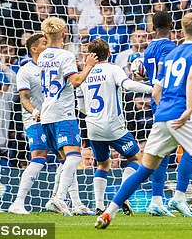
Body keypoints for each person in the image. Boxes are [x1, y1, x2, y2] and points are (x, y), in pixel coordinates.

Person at [95, 13, 192, 231]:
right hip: (181, 114)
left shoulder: (173, 54)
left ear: (183, 31)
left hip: (162, 113)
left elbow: (156, 89)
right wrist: (188, 109)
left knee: (144, 169)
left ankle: (109, 212)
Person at [77, 38, 153, 215]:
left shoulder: (84, 74)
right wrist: (152, 89)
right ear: (109, 54)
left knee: (102, 165)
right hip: (113, 126)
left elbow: (80, 106)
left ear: (90, 55)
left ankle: (98, 205)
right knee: (136, 159)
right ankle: (122, 195)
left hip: (93, 127)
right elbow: (128, 85)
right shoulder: (113, 69)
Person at [37, 16, 98, 216]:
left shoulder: (42, 56)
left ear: (46, 35)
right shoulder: (65, 56)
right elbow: (76, 81)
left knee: (67, 162)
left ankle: (77, 203)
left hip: (47, 113)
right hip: (63, 113)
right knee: (74, 157)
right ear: (63, 33)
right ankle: (59, 198)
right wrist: (88, 65)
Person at [141, 11, 192, 218]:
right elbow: (164, 81)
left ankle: (156, 200)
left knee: (160, 154)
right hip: (171, 104)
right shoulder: (171, 49)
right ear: (172, 26)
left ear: (153, 27)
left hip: (159, 107)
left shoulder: (148, 50)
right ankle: (179, 197)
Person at [9, 33, 49, 215]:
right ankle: (18, 202)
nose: (48, 45)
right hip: (36, 120)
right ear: (34, 49)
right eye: (44, 43)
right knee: (39, 155)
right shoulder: (25, 70)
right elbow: (23, 98)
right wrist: (34, 112)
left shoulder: (53, 67)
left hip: (56, 118)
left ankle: (72, 202)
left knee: (69, 156)